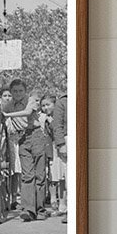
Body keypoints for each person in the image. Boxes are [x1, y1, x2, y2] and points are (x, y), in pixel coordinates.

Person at [5, 79, 50, 221]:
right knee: (27, 175)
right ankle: (28, 209)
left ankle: (40, 209)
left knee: (40, 175)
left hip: (36, 136)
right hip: (22, 139)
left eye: (20, 91)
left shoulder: (30, 100)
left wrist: (7, 115)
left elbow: (27, 112)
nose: (17, 93)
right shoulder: (8, 105)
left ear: (25, 91)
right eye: (15, 91)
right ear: (11, 92)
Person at [53, 91, 68, 224]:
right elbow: (57, 125)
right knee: (70, 177)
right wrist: (61, 144)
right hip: (68, 139)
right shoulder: (62, 102)